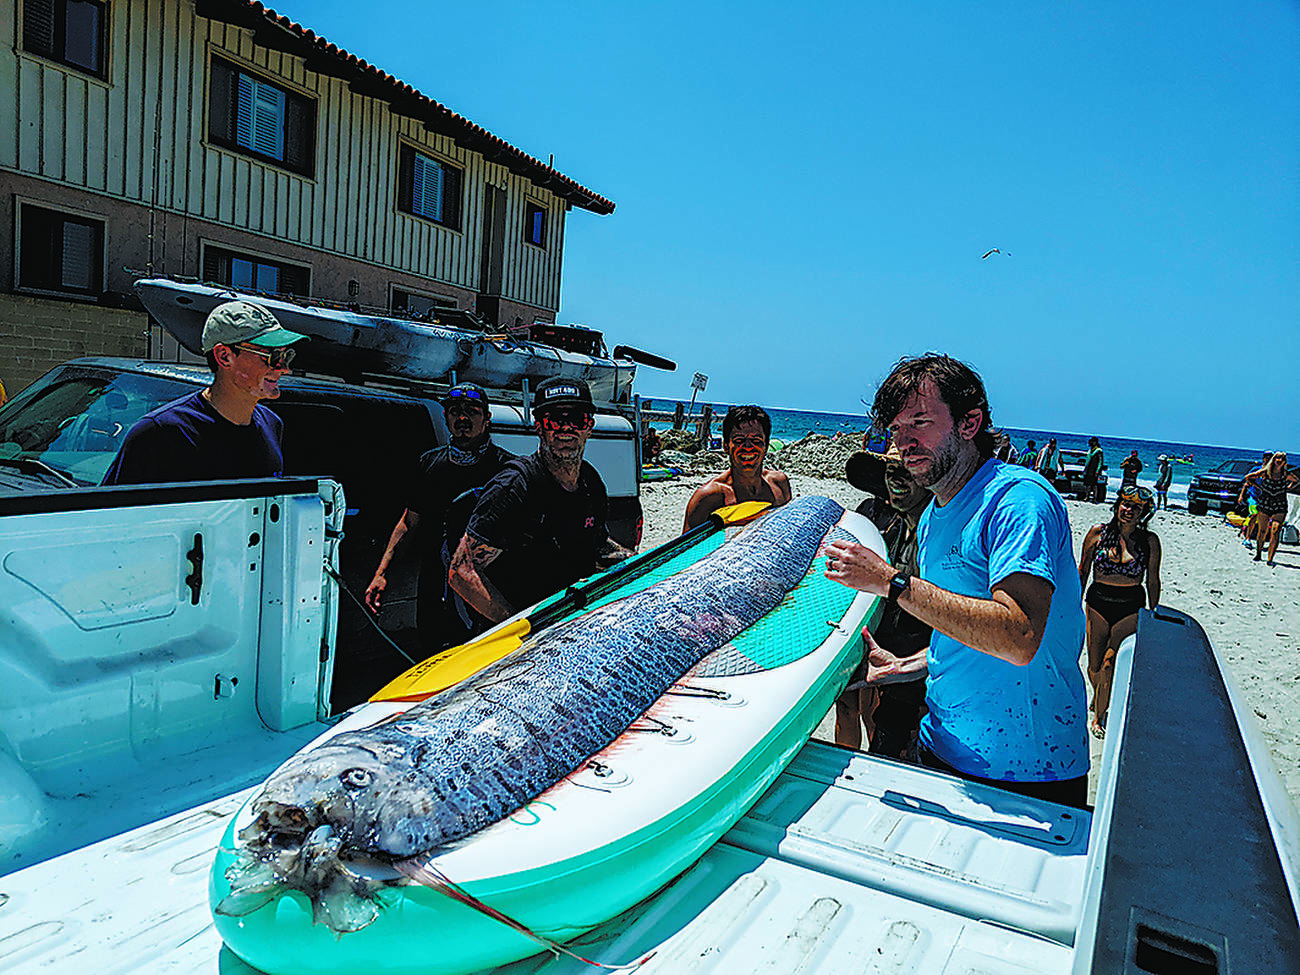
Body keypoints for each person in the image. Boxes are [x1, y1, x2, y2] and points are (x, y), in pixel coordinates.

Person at [825, 354, 1089, 808]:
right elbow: (965, 626)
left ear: (970, 423)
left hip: (1030, 770)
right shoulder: (932, 517)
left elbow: (1019, 635)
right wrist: (908, 665)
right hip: (942, 748)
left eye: (920, 423)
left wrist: (893, 582)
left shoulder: (1017, 500)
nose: (904, 442)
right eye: (896, 429)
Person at [449, 378, 632, 623]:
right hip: (524, 631)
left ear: (589, 426)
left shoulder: (591, 483)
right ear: (539, 426)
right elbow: (462, 571)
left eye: (577, 419)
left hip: (571, 619)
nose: (565, 429)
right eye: (554, 420)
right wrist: (518, 626)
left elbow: (599, 543)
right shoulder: (514, 486)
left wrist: (646, 563)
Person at [365, 384, 515, 651]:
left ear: (487, 418)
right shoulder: (429, 464)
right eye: (455, 411)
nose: (462, 418)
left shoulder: (508, 469)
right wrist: (382, 574)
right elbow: (409, 523)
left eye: (472, 411)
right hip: (435, 588)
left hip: (488, 587)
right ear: (446, 417)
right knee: (434, 654)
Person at [103, 301, 307, 485]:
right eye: (272, 356)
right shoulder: (160, 433)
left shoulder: (272, 424)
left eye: (286, 356)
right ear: (224, 356)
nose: (283, 368)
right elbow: (109, 517)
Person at [835, 444, 932, 759]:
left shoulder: (937, 532)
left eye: (906, 471)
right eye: (892, 471)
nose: (898, 480)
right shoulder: (880, 518)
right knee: (863, 714)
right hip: (877, 642)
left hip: (918, 660)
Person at [1078, 485, 1162, 737]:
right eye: (1125, 504)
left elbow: (1153, 580)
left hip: (1130, 606)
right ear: (1117, 506)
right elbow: (1083, 571)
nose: (1129, 510)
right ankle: (1100, 695)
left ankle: (1098, 717)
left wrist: (1154, 613)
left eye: (1136, 507)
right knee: (1093, 664)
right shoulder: (1098, 533)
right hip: (1098, 603)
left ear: (1144, 513)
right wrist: (1074, 602)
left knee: (1108, 663)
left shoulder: (1149, 542)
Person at [682, 405, 792, 531]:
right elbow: (686, 547)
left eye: (756, 441)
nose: (748, 447)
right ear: (726, 446)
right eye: (739, 440)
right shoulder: (708, 496)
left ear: (766, 446)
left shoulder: (779, 484)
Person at [1239, 452, 1299, 567]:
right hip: (1265, 503)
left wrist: (1287, 488)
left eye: (1282, 458)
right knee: (1262, 530)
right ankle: (1258, 553)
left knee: (1275, 531)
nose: (1279, 460)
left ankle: (1270, 558)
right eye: (1277, 457)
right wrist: (1258, 486)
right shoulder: (1265, 472)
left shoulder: (1286, 474)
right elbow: (1248, 477)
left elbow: (1296, 481)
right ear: (1273, 459)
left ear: (1284, 461)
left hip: (1280, 504)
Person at [1082, 436, 1105, 502]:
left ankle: (1095, 498)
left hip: (1094, 470)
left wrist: (1098, 470)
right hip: (1088, 469)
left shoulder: (1099, 451)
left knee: (1094, 485)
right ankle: (1087, 497)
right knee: (1087, 484)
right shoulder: (1090, 451)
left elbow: (1100, 462)